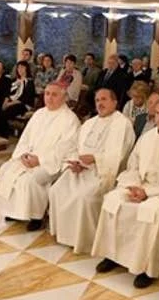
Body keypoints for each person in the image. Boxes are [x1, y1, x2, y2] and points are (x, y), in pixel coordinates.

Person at [91, 95, 159, 287]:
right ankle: (113, 255)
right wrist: (134, 186)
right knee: (113, 200)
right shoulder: (147, 137)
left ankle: (147, 268)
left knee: (150, 213)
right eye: (157, 114)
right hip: (139, 186)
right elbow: (132, 167)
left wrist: (147, 192)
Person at [48, 89, 134, 254]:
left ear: (115, 102)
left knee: (83, 198)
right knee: (56, 190)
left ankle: (84, 240)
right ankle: (63, 234)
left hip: (101, 173)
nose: (100, 104)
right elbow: (74, 147)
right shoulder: (89, 123)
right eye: (97, 100)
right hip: (80, 170)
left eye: (104, 99)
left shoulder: (122, 124)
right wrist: (75, 162)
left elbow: (119, 156)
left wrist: (95, 159)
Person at [0, 84, 80, 231]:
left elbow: (66, 148)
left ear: (64, 97)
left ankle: (36, 216)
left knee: (30, 180)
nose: (49, 98)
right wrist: (23, 155)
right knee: (5, 170)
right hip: (29, 157)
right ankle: (15, 211)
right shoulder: (39, 113)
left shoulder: (70, 119)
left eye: (54, 95)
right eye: (47, 94)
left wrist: (40, 160)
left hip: (51, 162)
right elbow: (25, 138)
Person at [0, 61, 36, 136]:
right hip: (11, 102)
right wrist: (5, 102)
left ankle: (4, 134)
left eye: (22, 68)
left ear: (26, 69)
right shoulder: (14, 81)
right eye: (18, 68)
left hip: (23, 104)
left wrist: (10, 104)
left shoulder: (29, 82)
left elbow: (25, 98)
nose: (20, 69)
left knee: (7, 112)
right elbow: (7, 93)